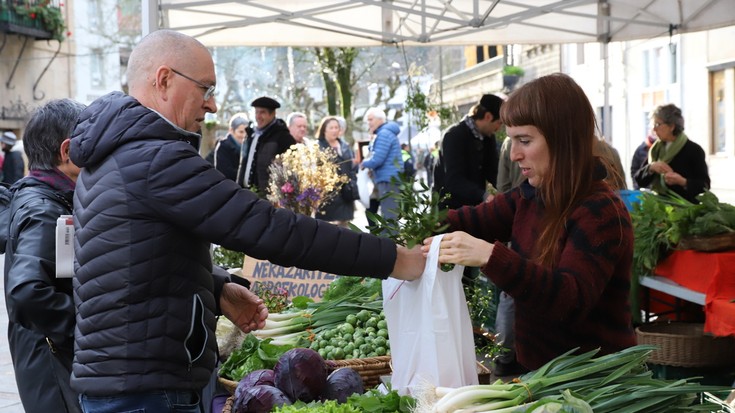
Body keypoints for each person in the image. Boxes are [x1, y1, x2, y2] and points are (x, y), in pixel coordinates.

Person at [68, 29, 424, 413]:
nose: (213, 105)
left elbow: (140, 252)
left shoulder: (115, 154)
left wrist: (219, 287)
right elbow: (268, 228)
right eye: (205, 89)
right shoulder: (154, 158)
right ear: (164, 79)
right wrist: (391, 259)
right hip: (145, 389)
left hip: (128, 379)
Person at [423, 73, 637, 372]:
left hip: (590, 382)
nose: (514, 154)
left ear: (563, 140)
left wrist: (489, 255)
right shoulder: (532, 195)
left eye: (524, 140)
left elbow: (569, 299)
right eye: (511, 140)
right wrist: (415, 229)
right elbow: (471, 219)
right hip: (542, 375)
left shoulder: (601, 211)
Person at [3, 99, 86, 413]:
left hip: (51, 353)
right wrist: (90, 324)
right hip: (50, 360)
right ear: (67, 152)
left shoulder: (52, 196)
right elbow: (27, 293)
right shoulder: (43, 209)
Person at [433, 94, 503, 209]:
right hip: (449, 208)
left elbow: (492, 170)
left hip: (474, 208)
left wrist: (506, 191)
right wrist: (483, 195)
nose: (498, 129)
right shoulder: (453, 136)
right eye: (499, 123)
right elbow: (453, 179)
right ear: (488, 116)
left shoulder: (488, 138)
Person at [634, 104, 710, 203]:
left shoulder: (694, 150)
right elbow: (639, 180)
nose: (654, 129)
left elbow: (704, 185)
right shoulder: (656, 149)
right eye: (653, 125)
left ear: (671, 126)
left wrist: (683, 182)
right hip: (658, 207)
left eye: (657, 124)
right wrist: (651, 168)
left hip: (684, 210)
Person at [242, 96, 295, 197]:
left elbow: (290, 171)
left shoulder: (284, 138)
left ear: (273, 114)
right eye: (256, 112)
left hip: (269, 197)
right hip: (247, 193)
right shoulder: (251, 135)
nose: (258, 116)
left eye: (262, 112)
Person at [361, 107, 403, 223]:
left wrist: (363, 163)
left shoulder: (383, 134)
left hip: (388, 179)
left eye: (371, 119)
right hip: (389, 178)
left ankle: (390, 240)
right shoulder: (385, 132)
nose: (368, 123)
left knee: (389, 216)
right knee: (389, 214)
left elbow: (377, 159)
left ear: (380, 119)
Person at [315, 116, 356, 227]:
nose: (334, 130)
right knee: (328, 229)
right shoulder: (318, 146)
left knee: (345, 229)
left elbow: (352, 167)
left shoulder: (345, 146)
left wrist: (353, 183)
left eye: (336, 127)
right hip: (328, 195)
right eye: (331, 128)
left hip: (346, 193)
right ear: (324, 130)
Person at [205, 113, 251, 186]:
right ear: (231, 130)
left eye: (246, 132)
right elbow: (226, 173)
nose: (244, 135)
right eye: (241, 132)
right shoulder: (223, 147)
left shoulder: (247, 147)